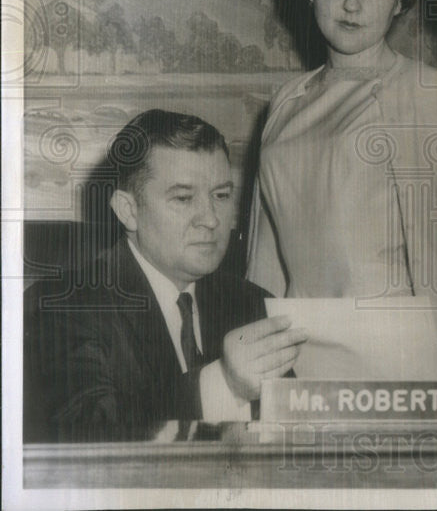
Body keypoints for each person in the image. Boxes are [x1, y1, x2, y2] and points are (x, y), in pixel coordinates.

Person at [24, 110, 307, 442]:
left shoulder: (254, 304)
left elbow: (292, 440)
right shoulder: (60, 306)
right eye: (183, 198)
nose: (212, 220)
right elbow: (85, 434)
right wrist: (224, 384)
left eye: (221, 195)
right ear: (128, 210)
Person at [246, 0, 437, 345]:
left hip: (386, 350)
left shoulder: (421, 92)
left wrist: (433, 377)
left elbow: (436, 257)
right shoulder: (286, 102)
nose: (351, 3)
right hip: (297, 349)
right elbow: (264, 264)